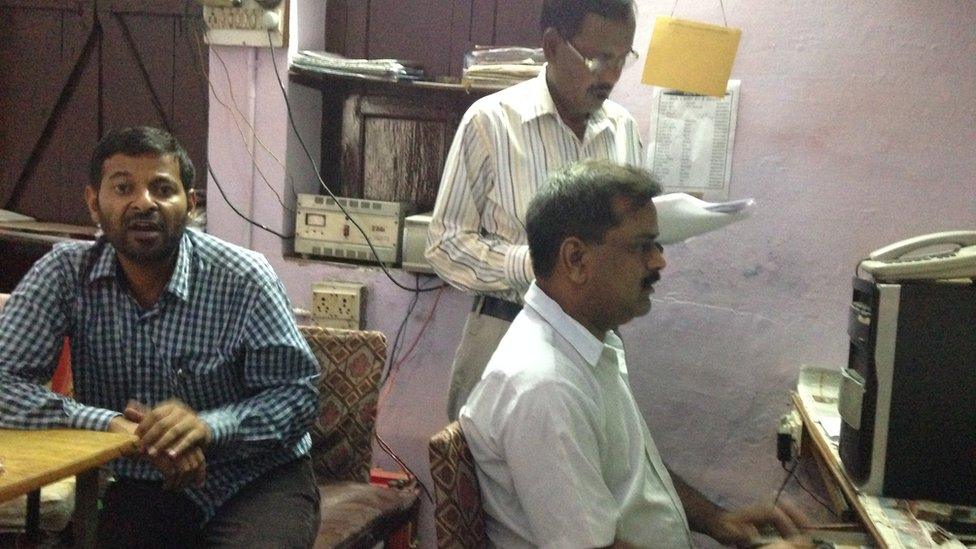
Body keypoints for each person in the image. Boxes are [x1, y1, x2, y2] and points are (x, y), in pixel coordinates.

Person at [460, 160, 811, 548]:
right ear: (575, 259)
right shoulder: (545, 386)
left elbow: (633, 471)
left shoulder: (588, 344)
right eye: (643, 246)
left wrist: (718, 520)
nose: (660, 261)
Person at [0, 126, 321, 547]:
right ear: (94, 204)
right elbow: (4, 382)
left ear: (190, 205)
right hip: (145, 483)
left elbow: (297, 395)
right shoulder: (64, 273)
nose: (143, 203)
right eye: (123, 187)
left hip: (258, 478)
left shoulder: (244, 277)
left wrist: (207, 427)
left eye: (162, 189)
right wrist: (112, 424)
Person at [427, 0, 644, 420]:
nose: (612, 77)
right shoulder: (491, 123)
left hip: (596, 343)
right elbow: (445, 244)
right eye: (598, 58)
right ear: (551, 45)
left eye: (623, 59)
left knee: (587, 478)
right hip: (505, 332)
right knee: (490, 482)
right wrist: (534, 264)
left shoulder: (622, 130)